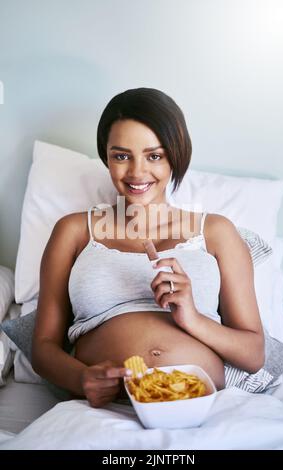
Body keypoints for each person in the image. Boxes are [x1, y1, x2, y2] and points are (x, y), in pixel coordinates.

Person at [32, 88, 265, 408]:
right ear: (107, 157)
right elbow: (43, 348)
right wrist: (80, 379)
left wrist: (192, 318)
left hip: (203, 409)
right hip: (106, 410)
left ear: (176, 154)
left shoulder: (217, 232)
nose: (137, 172)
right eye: (121, 155)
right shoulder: (73, 231)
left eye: (154, 156)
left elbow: (253, 355)